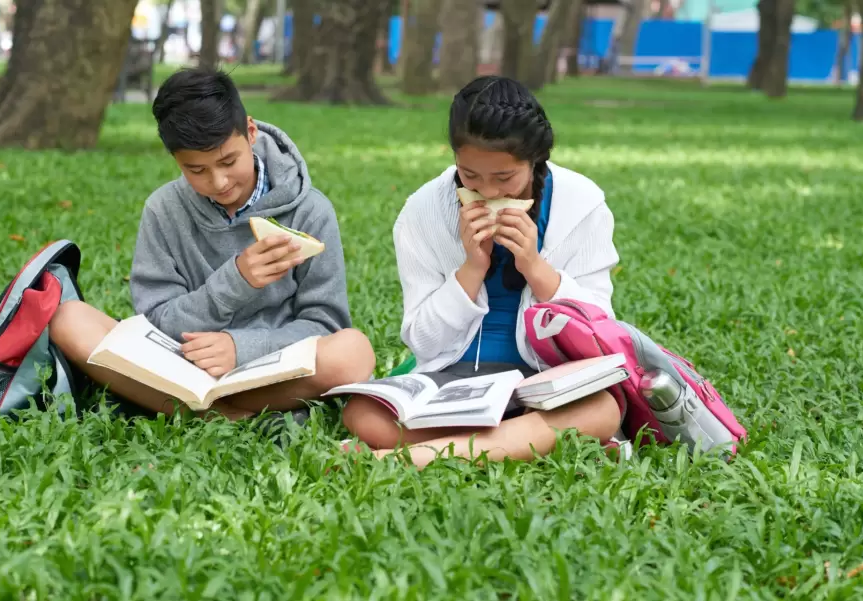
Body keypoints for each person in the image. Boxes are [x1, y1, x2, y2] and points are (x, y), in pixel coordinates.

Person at [50, 67, 375, 421]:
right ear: (175, 160)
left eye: (228, 161)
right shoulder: (164, 209)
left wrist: (242, 348)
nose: (218, 182)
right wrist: (236, 281)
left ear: (250, 132)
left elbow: (325, 323)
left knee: (353, 351)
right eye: (197, 170)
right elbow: (158, 319)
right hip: (184, 366)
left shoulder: (310, 210)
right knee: (69, 318)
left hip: (275, 368)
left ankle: (213, 412)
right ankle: (235, 415)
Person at [342, 76, 622, 467]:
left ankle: (411, 457)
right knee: (361, 413)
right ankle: (520, 442)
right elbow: (424, 341)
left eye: (504, 178)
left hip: (546, 383)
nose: (487, 192)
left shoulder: (582, 204)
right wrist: (472, 269)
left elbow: (600, 333)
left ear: (535, 161)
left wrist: (535, 267)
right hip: (455, 382)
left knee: (602, 410)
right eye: (469, 176)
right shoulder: (421, 212)